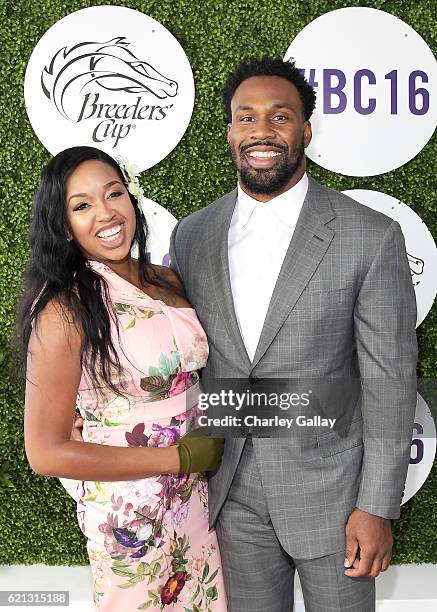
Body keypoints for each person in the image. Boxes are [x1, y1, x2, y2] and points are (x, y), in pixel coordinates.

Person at [168, 56, 418, 611]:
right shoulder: (193, 234)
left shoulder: (368, 236)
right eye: (246, 117)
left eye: (279, 117)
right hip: (230, 494)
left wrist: (376, 506)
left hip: (336, 498)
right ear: (231, 131)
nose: (262, 131)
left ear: (306, 130)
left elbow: (390, 381)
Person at [18, 146, 227, 611]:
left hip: (196, 498)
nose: (106, 213)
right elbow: (46, 452)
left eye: (114, 193)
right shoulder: (63, 309)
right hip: (130, 519)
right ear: (62, 224)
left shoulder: (168, 280)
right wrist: (177, 458)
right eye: (82, 205)